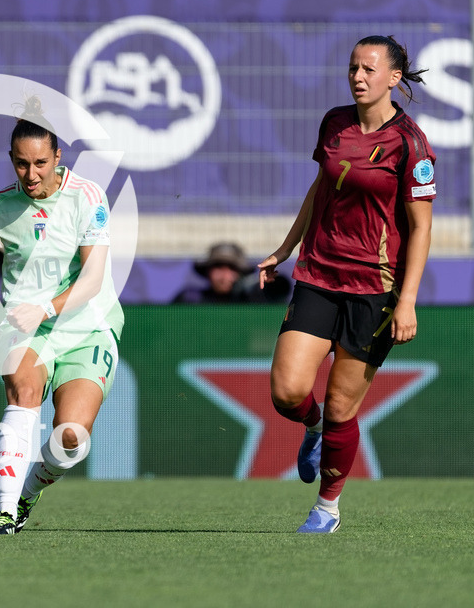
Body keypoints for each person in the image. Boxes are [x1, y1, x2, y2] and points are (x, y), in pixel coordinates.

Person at [258, 35, 434, 533]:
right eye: (353, 67)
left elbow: (420, 228)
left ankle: (327, 507)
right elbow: (321, 187)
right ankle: (311, 429)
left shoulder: (411, 144)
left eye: (369, 69)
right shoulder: (335, 123)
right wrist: (286, 247)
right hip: (318, 275)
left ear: (394, 78)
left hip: (375, 290)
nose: (358, 76)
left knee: (341, 406)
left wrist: (408, 303)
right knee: (287, 393)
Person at [0, 97, 124, 534]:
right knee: (24, 391)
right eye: (22, 164)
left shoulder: (87, 196)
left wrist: (45, 306)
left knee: (71, 438)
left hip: (86, 326)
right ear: (11, 160)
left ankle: (26, 496)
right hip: (25, 326)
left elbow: (93, 278)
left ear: (58, 157)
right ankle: (5, 511)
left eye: (41, 163)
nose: (32, 174)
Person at [173, 241, 291, 304]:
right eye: (218, 266)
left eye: (232, 268)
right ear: (207, 271)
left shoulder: (251, 303)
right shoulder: (191, 300)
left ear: (241, 273)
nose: (225, 275)